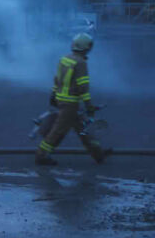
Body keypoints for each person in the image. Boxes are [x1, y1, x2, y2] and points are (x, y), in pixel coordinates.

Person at [36, 33, 111, 165]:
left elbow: (57, 79)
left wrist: (53, 95)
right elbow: (84, 89)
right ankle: (41, 155)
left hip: (63, 101)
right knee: (58, 131)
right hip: (70, 104)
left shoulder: (64, 59)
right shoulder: (80, 63)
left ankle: (98, 154)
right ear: (87, 47)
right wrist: (89, 107)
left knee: (83, 130)